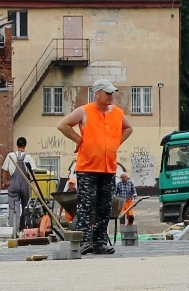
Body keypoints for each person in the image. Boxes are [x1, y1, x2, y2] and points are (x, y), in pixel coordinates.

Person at [57, 79, 133, 255]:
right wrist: (78, 139)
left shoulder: (117, 113)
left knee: (105, 206)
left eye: (112, 93)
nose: (111, 96)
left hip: (108, 168)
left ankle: (99, 241)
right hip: (87, 168)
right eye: (107, 93)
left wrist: (115, 144)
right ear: (97, 93)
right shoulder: (85, 111)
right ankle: (84, 241)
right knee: (86, 205)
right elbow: (62, 125)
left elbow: (128, 128)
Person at [2, 137, 36, 237]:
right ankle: (24, 228)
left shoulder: (10, 156)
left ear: (17, 145)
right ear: (25, 145)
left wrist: (5, 182)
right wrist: (33, 185)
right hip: (25, 184)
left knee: (13, 207)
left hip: (14, 184)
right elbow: (32, 172)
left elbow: (5, 171)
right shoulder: (28, 157)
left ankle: (14, 229)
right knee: (26, 207)